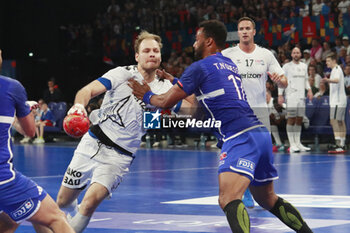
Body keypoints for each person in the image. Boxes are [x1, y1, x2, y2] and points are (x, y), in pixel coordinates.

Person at [129, 19, 312, 233]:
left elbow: (163, 102)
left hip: (239, 136)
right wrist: (175, 81)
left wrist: (146, 94)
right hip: (260, 134)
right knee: (267, 199)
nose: (194, 44)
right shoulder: (228, 65)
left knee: (228, 199)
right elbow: (200, 108)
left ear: (208, 41)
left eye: (197, 40)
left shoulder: (199, 67)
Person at [34, 31, 192, 233]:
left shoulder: (166, 88)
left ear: (160, 56)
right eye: (146, 50)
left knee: (90, 202)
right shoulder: (121, 74)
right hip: (92, 142)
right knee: (63, 201)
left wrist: (179, 85)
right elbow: (87, 91)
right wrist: (78, 107)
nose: (151, 54)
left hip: (120, 155)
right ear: (137, 56)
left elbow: (192, 111)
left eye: (155, 50)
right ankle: (71, 211)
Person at [0, 49, 74, 233]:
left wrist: (16, 114)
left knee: (9, 222)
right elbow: (30, 131)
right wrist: (24, 111)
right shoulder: (11, 88)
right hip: (4, 182)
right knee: (57, 218)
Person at [221, 16, 288, 208]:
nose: (244, 31)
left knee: (260, 153)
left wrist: (279, 80)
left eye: (247, 28)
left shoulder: (266, 54)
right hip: (235, 111)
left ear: (254, 31)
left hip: (259, 112)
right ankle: (245, 192)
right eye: (241, 28)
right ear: (238, 32)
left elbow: (284, 80)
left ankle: (258, 189)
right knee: (238, 152)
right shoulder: (227, 54)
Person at [279, 47, 313, 153]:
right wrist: (280, 95)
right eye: (294, 53)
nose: (296, 54)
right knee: (291, 119)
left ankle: (298, 143)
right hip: (291, 96)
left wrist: (309, 90)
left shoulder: (304, 66)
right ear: (291, 55)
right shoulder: (286, 66)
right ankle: (292, 144)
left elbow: (306, 80)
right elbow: (281, 81)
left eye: (298, 52)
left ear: (300, 54)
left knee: (299, 119)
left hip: (301, 97)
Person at [323, 54, 347, 153]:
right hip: (338, 100)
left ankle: (338, 144)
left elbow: (337, 80)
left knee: (335, 121)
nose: (326, 63)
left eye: (328, 61)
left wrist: (327, 80)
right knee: (340, 121)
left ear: (334, 60)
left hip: (337, 101)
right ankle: (342, 144)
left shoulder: (336, 69)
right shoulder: (335, 70)